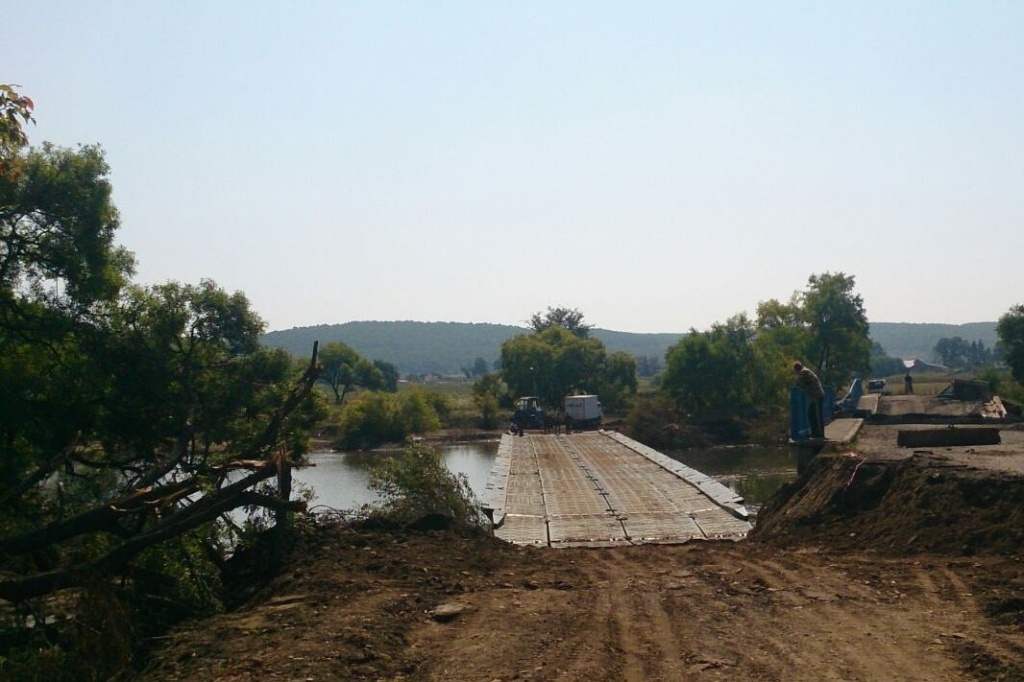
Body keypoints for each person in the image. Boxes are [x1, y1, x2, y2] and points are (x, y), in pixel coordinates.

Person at [793, 362, 825, 439]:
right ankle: (814, 433)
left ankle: (819, 435)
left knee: (817, 415)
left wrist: (794, 387)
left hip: (816, 396)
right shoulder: (805, 371)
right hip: (814, 396)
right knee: (811, 414)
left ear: (797, 369)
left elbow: (799, 383)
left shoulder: (804, 372)